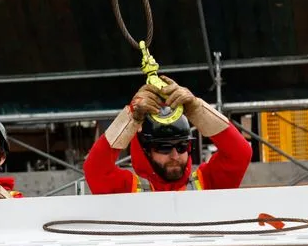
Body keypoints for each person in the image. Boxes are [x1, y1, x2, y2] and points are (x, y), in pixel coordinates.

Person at [84, 76, 252, 193]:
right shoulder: (127, 189)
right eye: (164, 148)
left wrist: (196, 109)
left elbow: (240, 153)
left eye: (182, 146)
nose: (175, 155)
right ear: (146, 150)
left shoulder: (207, 183)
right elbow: (95, 169)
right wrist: (131, 117)